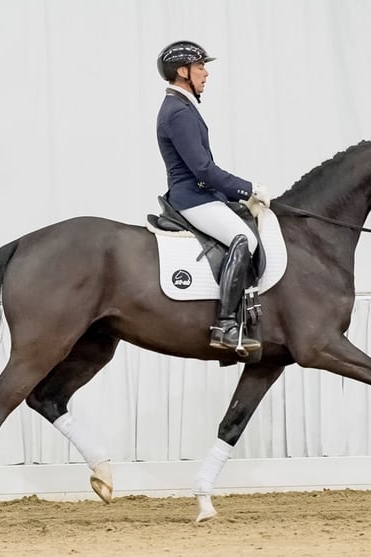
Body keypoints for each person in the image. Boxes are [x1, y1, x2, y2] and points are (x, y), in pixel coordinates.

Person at [156, 40, 270, 353]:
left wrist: (236, 197)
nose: (206, 73)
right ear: (183, 71)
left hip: (202, 195)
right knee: (244, 239)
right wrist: (248, 188)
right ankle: (226, 325)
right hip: (192, 198)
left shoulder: (182, 107)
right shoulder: (178, 112)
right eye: (201, 66)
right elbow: (203, 170)